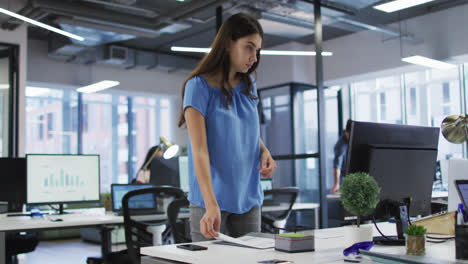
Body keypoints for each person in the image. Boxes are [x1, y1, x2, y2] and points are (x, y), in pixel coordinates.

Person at [177, 13, 277, 241]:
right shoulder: (197, 87)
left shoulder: (249, 84)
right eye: (249, 47)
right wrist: (211, 204)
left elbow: (245, 130)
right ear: (228, 44)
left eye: (257, 50)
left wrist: (264, 151)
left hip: (248, 196)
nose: (254, 57)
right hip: (210, 200)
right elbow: (199, 150)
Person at [330, 119, 353, 194]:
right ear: (346, 132)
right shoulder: (341, 145)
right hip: (345, 179)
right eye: (351, 133)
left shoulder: (351, 141)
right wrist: (336, 184)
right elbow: (337, 166)